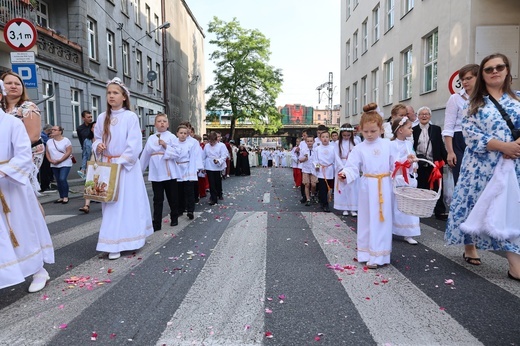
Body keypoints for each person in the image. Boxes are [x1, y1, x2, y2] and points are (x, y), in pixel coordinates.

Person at [445, 53, 520, 276]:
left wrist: (515, 146)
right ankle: (470, 245)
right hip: (480, 167)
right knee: (473, 206)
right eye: (489, 69)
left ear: (507, 70)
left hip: (513, 165)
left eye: (499, 67)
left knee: (512, 209)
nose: (495, 71)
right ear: (483, 75)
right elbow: (470, 134)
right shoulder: (474, 103)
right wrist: (501, 146)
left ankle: (514, 263)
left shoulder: (517, 100)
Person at [338, 103, 413, 269]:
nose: (370, 135)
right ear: (360, 130)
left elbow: (396, 164)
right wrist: (345, 174)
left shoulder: (388, 145)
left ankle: (379, 256)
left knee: (381, 219)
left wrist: (407, 163)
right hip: (366, 186)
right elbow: (351, 167)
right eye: (366, 132)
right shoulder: (359, 148)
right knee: (365, 219)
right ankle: (365, 253)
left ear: (381, 129)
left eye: (373, 131)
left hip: (383, 185)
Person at [0, 79, 54, 292]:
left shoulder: (12, 123)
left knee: (21, 229)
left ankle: (38, 269)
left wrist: (4, 171)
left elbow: (24, 154)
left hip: (11, 186)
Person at [92, 77, 153, 260]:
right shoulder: (102, 117)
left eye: (115, 93)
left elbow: (134, 144)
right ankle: (112, 242)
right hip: (107, 167)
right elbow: (96, 139)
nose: (111, 96)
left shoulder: (130, 117)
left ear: (124, 97)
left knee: (126, 205)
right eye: (109, 93)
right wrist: (98, 147)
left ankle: (129, 240)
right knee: (109, 206)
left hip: (125, 169)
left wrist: (119, 162)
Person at [1, 71, 44, 192]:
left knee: (25, 191)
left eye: (17, 84)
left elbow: (33, 136)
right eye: (9, 83)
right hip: (5, 154)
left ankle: (35, 212)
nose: (13, 86)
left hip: (27, 153)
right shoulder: (1, 109)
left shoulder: (28, 107)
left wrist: (8, 149)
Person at [140, 114, 180, 231]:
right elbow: (145, 155)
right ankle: (156, 222)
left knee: (172, 196)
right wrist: (139, 171)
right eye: (159, 121)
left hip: (169, 172)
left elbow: (177, 153)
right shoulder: (151, 138)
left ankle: (174, 217)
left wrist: (165, 145)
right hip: (156, 173)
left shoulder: (172, 137)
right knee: (157, 199)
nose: (162, 123)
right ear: (155, 124)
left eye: (164, 121)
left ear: (167, 124)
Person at [443, 64, 479, 185]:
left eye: (469, 78)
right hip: (459, 140)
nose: (464, 82)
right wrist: (450, 151)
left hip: (479, 140)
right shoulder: (455, 98)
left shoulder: (486, 98)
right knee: (461, 180)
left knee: (479, 180)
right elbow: (448, 127)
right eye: (462, 79)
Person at [413, 106, 448, 220]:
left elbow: (440, 145)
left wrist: (447, 159)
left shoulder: (436, 129)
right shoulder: (414, 130)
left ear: (430, 116)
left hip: (435, 164)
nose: (424, 116)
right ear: (418, 117)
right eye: (421, 114)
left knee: (438, 187)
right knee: (421, 187)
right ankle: (421, 210)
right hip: (421, 163)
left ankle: (439, 211)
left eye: (426, 114)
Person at [390, 116, 421, 244]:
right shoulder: (392, 145)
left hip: (409, 178)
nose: (412, 130)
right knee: (397, 206)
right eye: (409, 128)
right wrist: (405, 162)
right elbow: (394, 162)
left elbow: (412, 156)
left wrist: (414, 165)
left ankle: (409, 233)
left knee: (410, 205)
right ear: (400, 130)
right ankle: (394, 229)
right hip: (398, 178)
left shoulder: (409, 143)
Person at [334, 123, 361, 216]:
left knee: (353, 188)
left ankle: (353, 208)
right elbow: (336, 156)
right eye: (344, 135)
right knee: (343, 187)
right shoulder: (337, 143)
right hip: (341, 166)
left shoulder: (356, 142)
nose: (346, 137)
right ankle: (344, 207)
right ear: (341, 134)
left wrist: (351, 167)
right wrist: (342, 167)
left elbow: (357, 156)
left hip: (352, 167)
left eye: (348, 135)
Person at [175, 124, 201, 218]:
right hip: (177, 168)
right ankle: (180, 209)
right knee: (179, 191)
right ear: (177, 133)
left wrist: (193, 173)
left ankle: (190, 210)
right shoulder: (173, 143)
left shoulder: (191, 144)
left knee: (189, 191)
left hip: (187, 168)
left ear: (187, 134)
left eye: (185, 133)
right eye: (181, 133)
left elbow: (194, 158)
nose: (183, 135)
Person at [46, 125, 73, 204]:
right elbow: (47, 152)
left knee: (62, 178)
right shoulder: (49, 141)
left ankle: (65, 196)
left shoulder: (66, 140)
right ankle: (61, 196)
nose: (52, 131)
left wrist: (60, 160)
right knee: (58, 180)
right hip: (54, 163)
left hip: (65, 163)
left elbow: (69, 151)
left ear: (60, 131)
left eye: (55, 130)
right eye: (52, 130)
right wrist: (50, 160)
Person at [203, 131, 228, 206]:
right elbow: (203, 156)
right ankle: (213, 198)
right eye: (210, 141)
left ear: (216, 139)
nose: (211, 143)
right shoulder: (207, 146)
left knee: (217, 181)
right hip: (209, 165)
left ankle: (219, 193)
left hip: (217, 165)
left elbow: (224, 155)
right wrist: (203, 166)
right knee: (211, 182)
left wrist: (219, 161)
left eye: (213, 141)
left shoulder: (221, 146)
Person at [313, 130, 335, 212]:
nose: (325, 139)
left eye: (326, 137)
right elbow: (315, 160)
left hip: (330, 170)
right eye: (323, 137)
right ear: (320, 138)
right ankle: (324, 204)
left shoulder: (333, 148)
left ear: (329, 138)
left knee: (329, 189)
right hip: (322, 171)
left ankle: (325, 201)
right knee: (323, 188)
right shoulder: (317, 149)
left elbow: (335, 160)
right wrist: (317, 167)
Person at [79, 121, 96, 214]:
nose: (95, 129)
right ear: (91, 129)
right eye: (93, 127)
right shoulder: (87, 140)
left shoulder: (105, 139)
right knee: (89, 184)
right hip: (91, 164)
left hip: (104, 165)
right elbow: (85, 154)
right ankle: (86, 205)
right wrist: (83, 167)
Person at [299, 136, 317, 206]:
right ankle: (308, 199)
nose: (309, 143)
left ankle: (312, 194)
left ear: (313, 142)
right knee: (307, 184)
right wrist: (303, 159)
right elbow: (300, 159)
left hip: (313, 169)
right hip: (306, 169)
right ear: (306, 142)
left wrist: (317, 167)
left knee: (313, 184)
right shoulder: (303, 150)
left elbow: (318, 160)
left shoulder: (316, 150)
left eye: (311, 141)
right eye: (308, 141)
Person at [76, 110, 94, 179]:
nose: (90, 118)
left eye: (91, 117)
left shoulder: (93, 126)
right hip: (85, 149)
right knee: (87, 167)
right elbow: (81, 140)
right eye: (88, 117)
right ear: (83, 118)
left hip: (94, 149)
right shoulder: (80, 128)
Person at [39, 124, 55, 193]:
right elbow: (49, 143)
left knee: (47, 170)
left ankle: (47, 185)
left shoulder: (45, 135)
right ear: (48, 130)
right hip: (44, 155)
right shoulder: (43, 136)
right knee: (45, 171)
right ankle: (45, 187)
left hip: (46, 154)